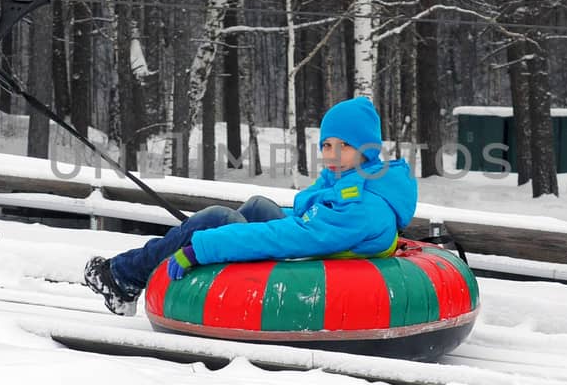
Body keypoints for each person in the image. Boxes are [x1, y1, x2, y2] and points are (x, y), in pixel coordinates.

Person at [83, 95, 418, 315]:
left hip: (307, 264)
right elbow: (308, 222)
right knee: (257, 206)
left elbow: (293, 237)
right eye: (326, 144)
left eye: (342, 146)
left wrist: (203, 248)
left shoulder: (360, 204)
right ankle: (127, 272)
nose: (329, 154)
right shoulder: (355, 181)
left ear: (367, 148)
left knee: (214, 222)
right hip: (315, 247)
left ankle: (124, 277)